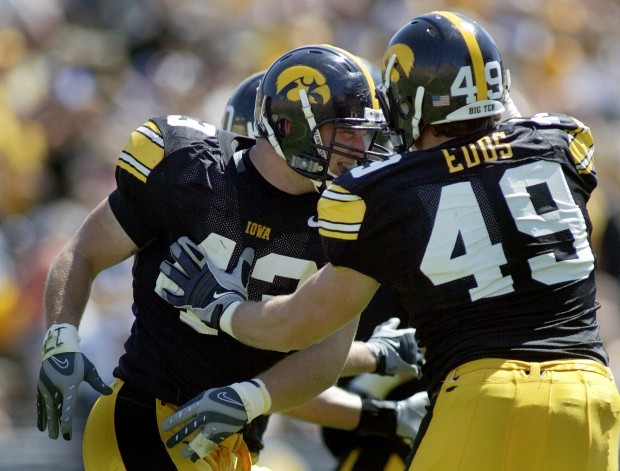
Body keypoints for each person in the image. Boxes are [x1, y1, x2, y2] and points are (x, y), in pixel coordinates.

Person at [157, 11, 620, 471]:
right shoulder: (563, 144)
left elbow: (301, 324)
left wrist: (222, 307)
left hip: (485, 394)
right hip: (592, 394)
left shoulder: (386, 192)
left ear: (410, 104)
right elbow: (499, 144)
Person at [36, 43, 426, 470]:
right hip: (148, 415)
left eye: (364, 132)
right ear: (287, 124)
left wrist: (249, 397)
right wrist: (60, 337)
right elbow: (84, 250)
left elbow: (325, 359)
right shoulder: (189, 170)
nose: (361, 145)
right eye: (344, 130)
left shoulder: (346, 215)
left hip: (233, 441)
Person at [220, 71, 429, 470]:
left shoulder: (355, 223)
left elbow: (287, 356)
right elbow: (278, 363)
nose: (358, 150)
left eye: (363, 134)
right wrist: (374, 362)